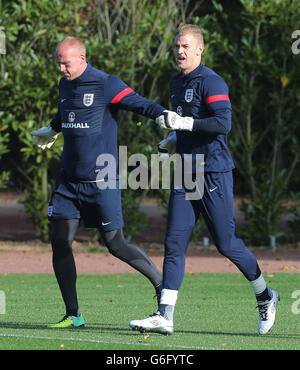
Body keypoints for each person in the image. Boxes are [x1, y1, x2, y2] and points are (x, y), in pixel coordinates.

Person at [129, 24, 279, 335]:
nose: (180, 52)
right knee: (174, 242)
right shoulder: (176, 81)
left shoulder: (212, 81)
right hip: (186, 171)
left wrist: (183, 123)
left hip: (213, 172)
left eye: (185, 46)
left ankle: (266, 295)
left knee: (227, 244)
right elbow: (191, 125)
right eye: (177, 47)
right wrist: (173, 138)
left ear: (200, 49)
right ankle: (164, 315)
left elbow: (222, 123)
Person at [31, 37, 165, 328]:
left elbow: (139, 103)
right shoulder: (64, 83)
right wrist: (52, 129)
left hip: (102, 179)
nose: (61, 68)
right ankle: (73, 315)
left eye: (65, 63)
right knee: (60, 242)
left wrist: (162, 114)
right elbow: (67, 112)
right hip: (68, 181)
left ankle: (162, 286)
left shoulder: (106, 83)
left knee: (115, 244)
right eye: (59, 62)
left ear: (82, 58)